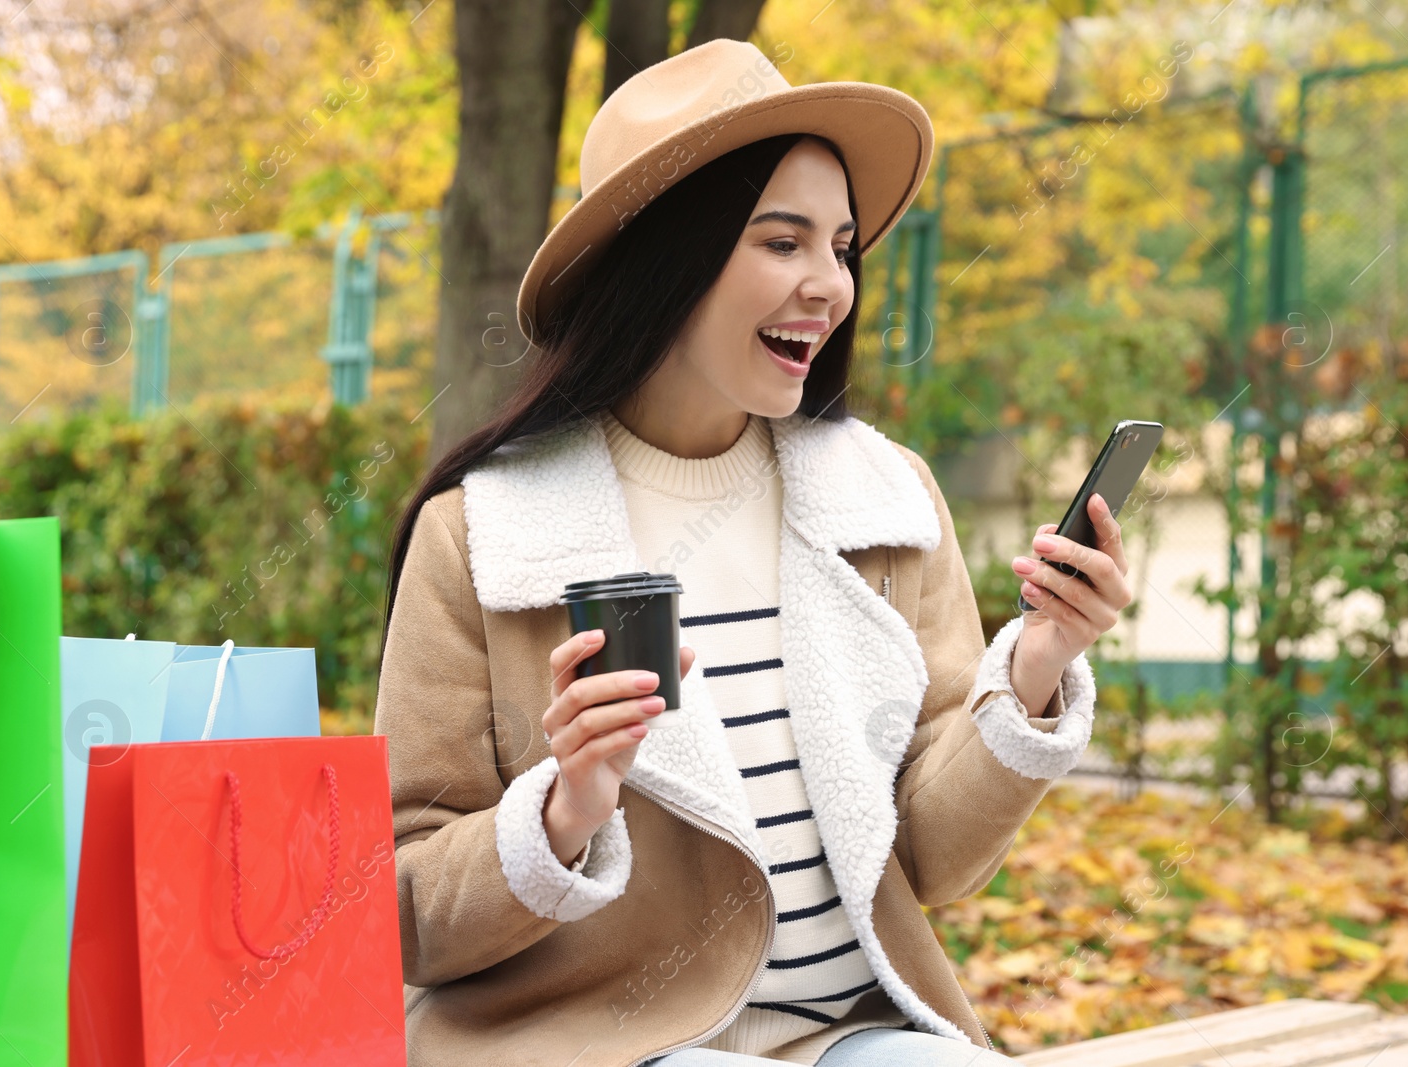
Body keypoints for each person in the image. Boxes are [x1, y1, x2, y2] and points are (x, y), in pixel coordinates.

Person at [374, 38, 1133, 1067]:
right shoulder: (481, 533)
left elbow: (933, 859)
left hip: (851, 1031)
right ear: (665, 262)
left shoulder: (885, 501)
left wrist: (1035, 665)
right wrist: (562, 811)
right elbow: (403, 905)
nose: (828, 284)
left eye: (842, 246)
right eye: (781, 242)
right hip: (601, 1042)